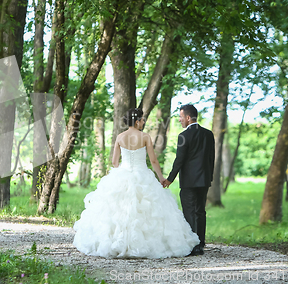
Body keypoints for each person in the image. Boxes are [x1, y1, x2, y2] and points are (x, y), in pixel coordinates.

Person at [73, 108, 199, 258]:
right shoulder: (145, 137)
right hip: (143, 175)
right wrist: (161, 178)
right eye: (142, 120)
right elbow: (153, 160)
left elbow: (114, 162)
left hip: (123, 173)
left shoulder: (120, 137)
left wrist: (122, 172)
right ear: (137, 121)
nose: (143, 122)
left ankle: (117, 244)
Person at [163, 104, 215, 256]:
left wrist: (170, 179)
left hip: (189, 181)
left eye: (180, 117)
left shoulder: (183, 136)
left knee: (189, 211)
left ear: (187, 117)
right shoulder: (208, 134)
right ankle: (201, 243)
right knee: (200, 211)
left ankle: (193, 246)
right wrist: (209, 177)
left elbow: (179, 160)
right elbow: (211, 158)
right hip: (204, 179)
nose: (179, 120)